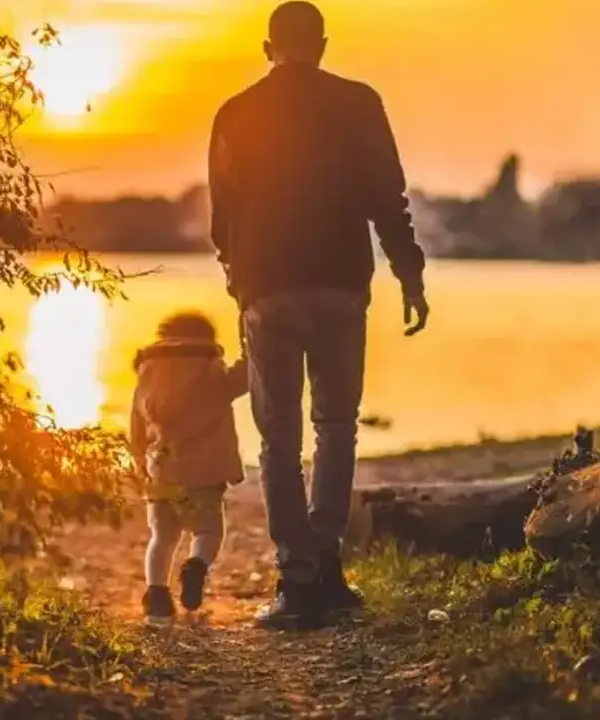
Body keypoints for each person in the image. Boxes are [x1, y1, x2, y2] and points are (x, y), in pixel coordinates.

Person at [208, 0, 430, 631]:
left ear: (267, 46)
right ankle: (328, 567)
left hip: (268, 291)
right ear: (323, 45)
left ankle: (298, 578)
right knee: (337, 426)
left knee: (278, 437)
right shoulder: (359, 102)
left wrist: (236, 277)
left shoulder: (236, 111)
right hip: (339, 286)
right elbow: (388, 197)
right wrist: (409, 273)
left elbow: (223, 213)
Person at [129, 311, 248, 625]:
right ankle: (196, 565)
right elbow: (244, 379)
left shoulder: (147, 373)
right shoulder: (210, 368)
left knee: (162, 537)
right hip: (205, 472)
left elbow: (136, 428)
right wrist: (250, 346)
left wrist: (140, 464)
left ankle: (156, 595)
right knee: (208, 530)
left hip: (161, 469)